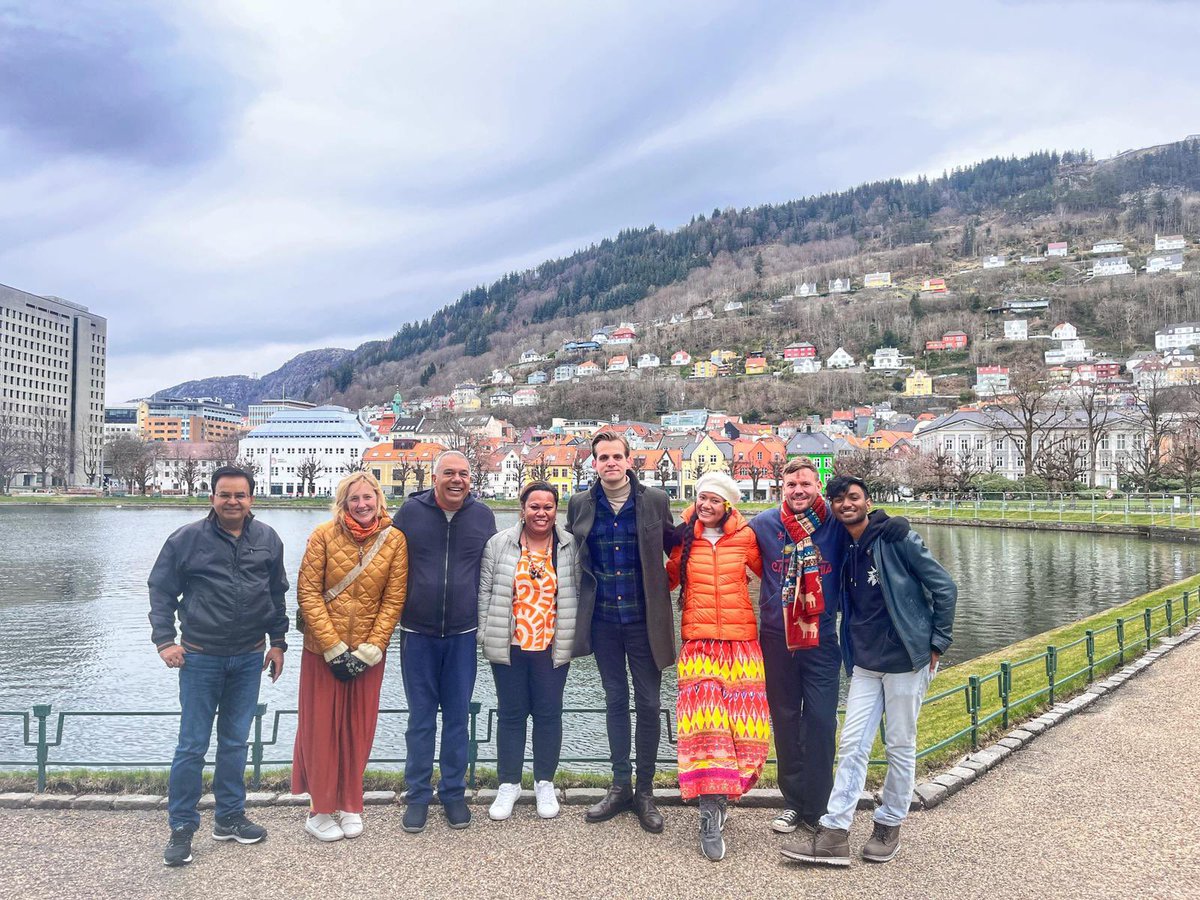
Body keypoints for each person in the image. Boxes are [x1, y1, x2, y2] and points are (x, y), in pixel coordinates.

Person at [782, 475, 957, 867]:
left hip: (905, 661)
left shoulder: (895, 538)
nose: (847, 504)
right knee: (852, 745)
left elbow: (945, 588)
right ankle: (835, 832)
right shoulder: (844, 543)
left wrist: (937, 643)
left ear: (868, 500)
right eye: (840, 499)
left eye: (854, 497)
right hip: (864, 663)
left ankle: (889, 822)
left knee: (898, 745)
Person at [749, 459, 909, 837]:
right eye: (791, 485)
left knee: (821, 721)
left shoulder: (835, 525)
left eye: (805, 483)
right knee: (785, 720)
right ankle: (793, 802)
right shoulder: (764, 525)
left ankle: (817, 806)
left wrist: (893, 522)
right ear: (781, 487)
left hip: (821, 637)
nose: (798, 490)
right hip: (775, 637)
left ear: (817, 486)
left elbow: (870, 529)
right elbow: (725, 534)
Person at [148, 466, 288, 868]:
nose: (232, 502)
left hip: (248, 656)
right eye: (224, 495)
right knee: (192, 745)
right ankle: (181, 827)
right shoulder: (186, 540)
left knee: (235, 742)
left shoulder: (267, 539)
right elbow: (161, 589)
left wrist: (278, 643)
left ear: (251, 499)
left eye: (240, 495)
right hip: (200, 656)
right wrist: (164, 641)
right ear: (212, 497)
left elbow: (276, 594)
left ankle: (228, 817)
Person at [567, 430, 676, 833]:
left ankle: (645, 791)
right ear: (593, 463)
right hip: (603, 622)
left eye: (617, 456)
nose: (610, 463)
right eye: (602, 457)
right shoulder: (580, 503)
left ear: (630, 460)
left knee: (648, 703)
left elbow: (676, 548)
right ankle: (619, 785)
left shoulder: (655, 501)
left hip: (645, 620)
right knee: (615, 700)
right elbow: (571, 558)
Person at [292, 471, 408, 841]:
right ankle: (319, 808)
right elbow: (308, 593)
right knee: (321, 727)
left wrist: (372, 647)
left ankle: (350, 803)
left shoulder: (394, 541)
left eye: (367, 498)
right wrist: (332, 646)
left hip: (367, 654)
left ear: (379, 500)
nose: (362, 505)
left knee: (358, 729)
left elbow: (393, 599)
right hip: (322, 651)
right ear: (343, 503)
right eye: (354, 499)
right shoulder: (323, 536)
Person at [395, 449, 497, 833]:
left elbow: (495, 567)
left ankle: (453, 793)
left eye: (464, 474)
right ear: (435, 477)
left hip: (462, 633)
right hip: (416, 632)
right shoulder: (411, 512)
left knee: (456, 718)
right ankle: (417, 795)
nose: (457, 480)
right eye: (449, 473)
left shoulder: (482, 516)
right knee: (420, 719)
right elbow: (383, 555)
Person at [666, 472, 766, 862]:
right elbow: (668, 581)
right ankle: (709, 810)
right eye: (701, 498)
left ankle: (723, 796)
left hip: (742, 643)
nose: (706, 505)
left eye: (714, 500)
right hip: (698, 643)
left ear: (728, 505)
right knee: (707, 728)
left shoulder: (746, 536)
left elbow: (772, 576)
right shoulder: (684, 538)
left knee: (746, 729)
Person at [478, 481, 580, 821]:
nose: (541, 513)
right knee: (510, 715)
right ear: (523, 509)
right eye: (534, 506)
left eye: (548, 507)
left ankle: (544, 783)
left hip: (552, 645)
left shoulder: (569, 547)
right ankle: (508, 783)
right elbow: (486, 593)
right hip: (510, 644)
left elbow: (576, 593)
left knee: (549, 715)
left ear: (556, 511)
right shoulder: (500, 544)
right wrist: (485, 635)